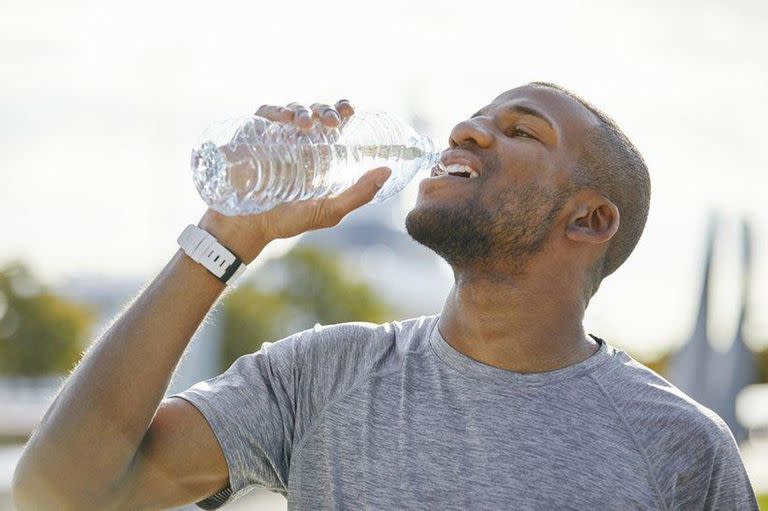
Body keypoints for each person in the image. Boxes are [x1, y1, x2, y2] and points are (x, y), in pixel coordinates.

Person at [13, 83, 759, 510]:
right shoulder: (323, 375)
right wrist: (222, 237)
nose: (468, 130)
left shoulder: (681, 447)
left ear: (590, 219)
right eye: (476, 118)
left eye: (520, 129)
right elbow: (58, 489)